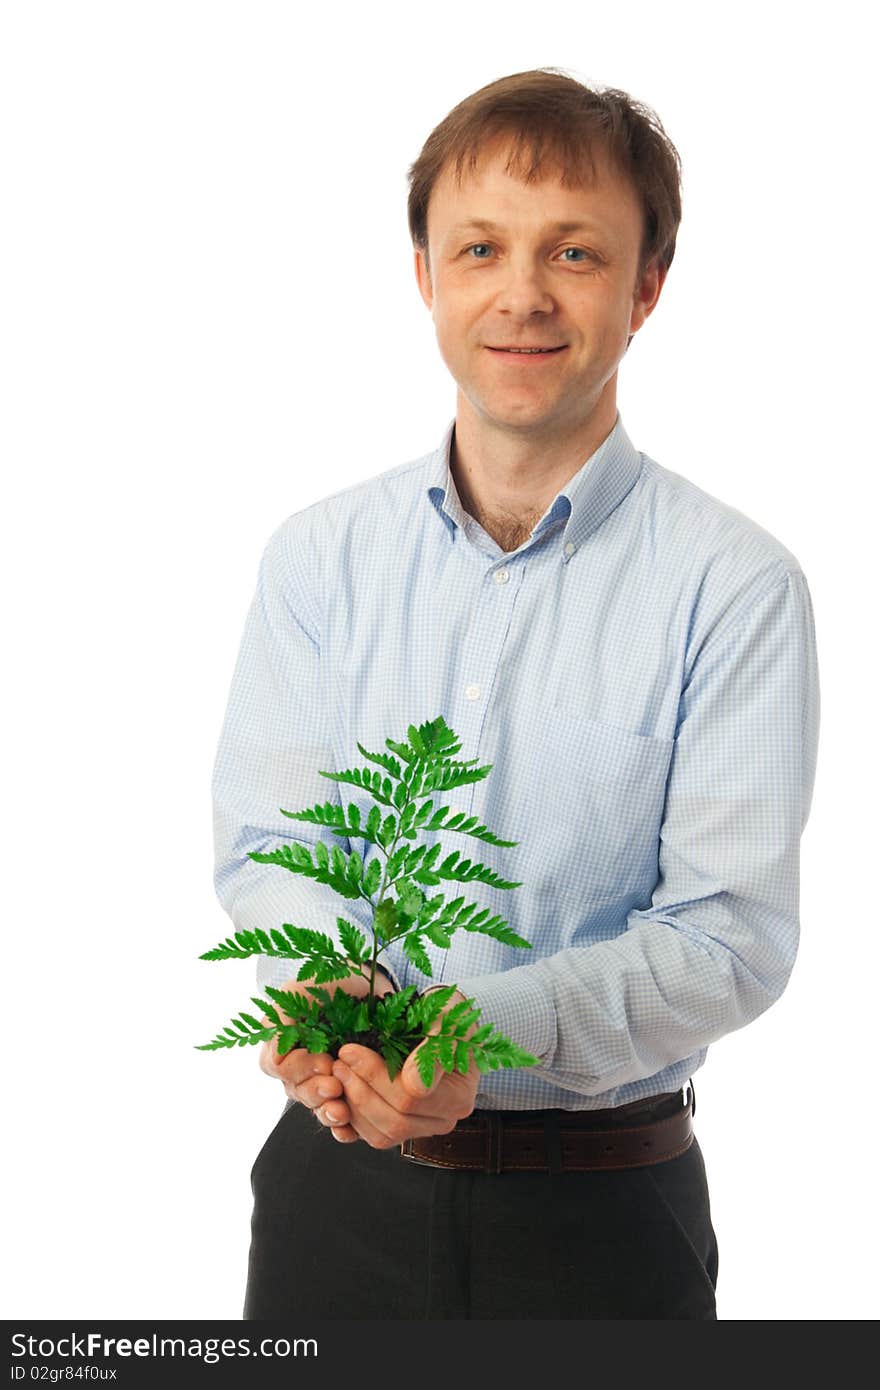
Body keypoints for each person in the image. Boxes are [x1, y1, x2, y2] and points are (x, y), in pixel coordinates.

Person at [211, 68, 820, 1320]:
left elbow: (726, 942)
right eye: (480, 246)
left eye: (577, 252)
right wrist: (331, 1007)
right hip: (334, 1196)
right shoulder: (318, 559)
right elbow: (274, 843)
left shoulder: (736, 587)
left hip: (599, 1221)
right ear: (425, 274)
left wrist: (465, 1038)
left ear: (646, 286)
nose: (522, 294)